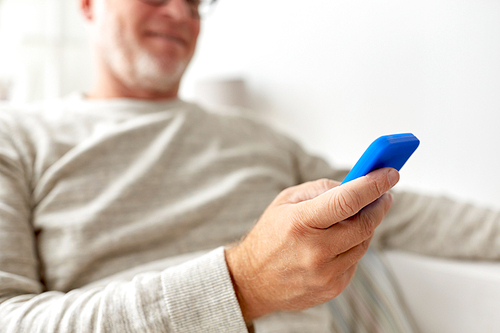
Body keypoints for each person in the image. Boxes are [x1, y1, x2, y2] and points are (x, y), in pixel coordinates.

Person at [0, 0, 498, 332]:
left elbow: (404, 212)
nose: (179, 12)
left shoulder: (259, 137)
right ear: (87, 4)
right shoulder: (18, 138)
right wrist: (242, 284)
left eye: (196, 2)